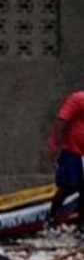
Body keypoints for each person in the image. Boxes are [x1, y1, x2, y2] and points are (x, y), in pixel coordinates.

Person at [46, 90, 84, 236]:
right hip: (71, 150)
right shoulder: (78, 99)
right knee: (68, 185)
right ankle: (51, 219)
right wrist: (58, 145)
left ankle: (81, 226)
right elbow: (61, 120)